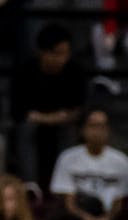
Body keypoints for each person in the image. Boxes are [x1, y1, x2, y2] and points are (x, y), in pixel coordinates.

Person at [9, 23, 87, 188]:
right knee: (26, 128)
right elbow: (19, 112)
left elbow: (76, 111)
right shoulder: (25, 71)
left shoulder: (75, 72)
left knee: (69, 130)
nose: (62, 59)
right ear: (42, 52)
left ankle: (65, 184)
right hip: (34, 126)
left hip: (62, 125)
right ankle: (31, 185)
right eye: (57, 53)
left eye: (66, 53)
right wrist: (52, 117)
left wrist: (44, 117)